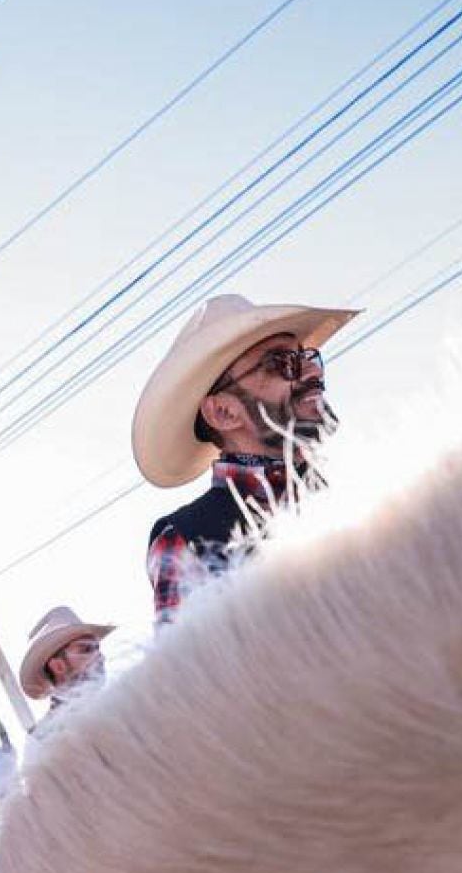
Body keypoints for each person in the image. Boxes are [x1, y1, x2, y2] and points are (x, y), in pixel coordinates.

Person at [133, 294, 359, 622]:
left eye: (306, 356)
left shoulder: (361, 488)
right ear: (224, 412)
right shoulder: (186, 540)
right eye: (279, 362)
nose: (311, 370)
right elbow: (193, 672)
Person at [18, 606, 115, 713]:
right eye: (86, 649)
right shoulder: (56, 727)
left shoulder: (114, 706)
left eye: (98, 649)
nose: (100, 657)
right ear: (58, 666)